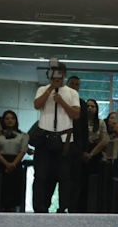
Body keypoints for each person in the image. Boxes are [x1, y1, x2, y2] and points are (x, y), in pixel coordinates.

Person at [31, 66, 81, 213]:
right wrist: (51, 89)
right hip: (44, 138)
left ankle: (63, 207)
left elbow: (76, 114)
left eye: (59, 74)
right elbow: (37, 105)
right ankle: (39, 207)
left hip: (65, 139)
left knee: (64, 176)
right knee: (40, 175)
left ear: (65, 75)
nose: (56, 77)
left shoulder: (71, 93)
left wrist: (62, 102)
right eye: (53, 74)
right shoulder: (42, 89)